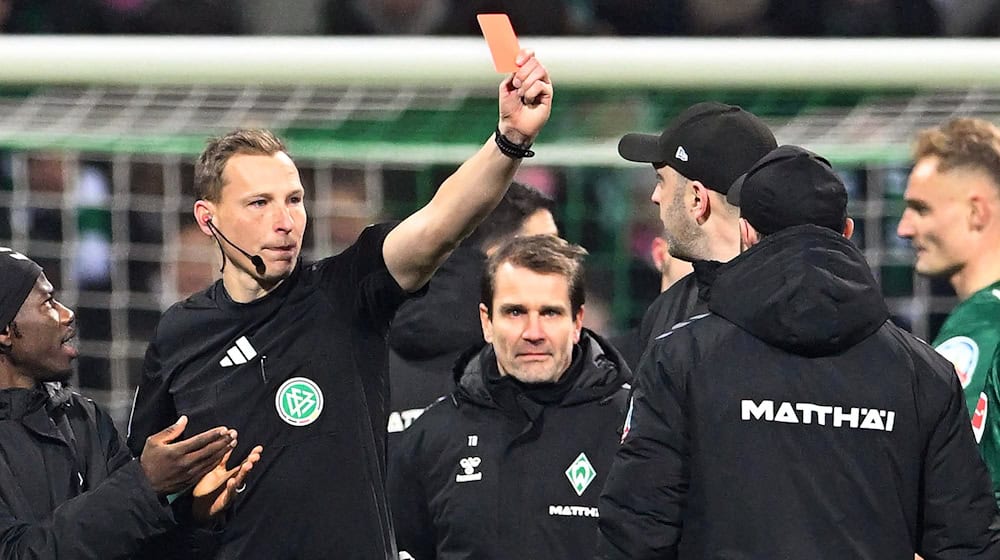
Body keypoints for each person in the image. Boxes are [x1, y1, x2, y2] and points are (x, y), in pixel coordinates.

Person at [126, 49, 553, 559]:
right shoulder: (179, 334)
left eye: (294, 199)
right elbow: (141, 484)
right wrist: (191, 511)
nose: (284, 221)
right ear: (207, 218)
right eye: (259, 204)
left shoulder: (345, 291)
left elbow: (440, 223)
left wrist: (509, 140)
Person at [597, 146, 1000, 559]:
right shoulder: (925, 374)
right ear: (846, 231)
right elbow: (966, 545)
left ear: (747, 233)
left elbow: (635, 532)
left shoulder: (681, 357)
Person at [0, 247, 261, 559]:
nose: (68, 315)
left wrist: (195, 516)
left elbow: (139, 550)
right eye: (48, 303)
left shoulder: (86, 419)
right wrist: (144, 485)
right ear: (5, 331)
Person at [388, 234, 630, 559]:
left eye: (550, 313)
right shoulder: (429, 439)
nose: (533, 332)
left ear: (577, 322)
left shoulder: (634, 428)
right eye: (515, 312)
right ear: (487, 322)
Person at [387, 181, 557, 433]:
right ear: (500, 255)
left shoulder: (373, 346)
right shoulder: (529, 355)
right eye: (546, 250)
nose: (561, 263)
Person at [617, 101, 776, 354]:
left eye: (662, 180)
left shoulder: (675, 319)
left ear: (697, 200)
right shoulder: (805, 300)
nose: (655, 196)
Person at [897, 117, 1000, 422]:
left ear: (976, 212)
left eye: (921, 208)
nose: (904, 229)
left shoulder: (983, 323)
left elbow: (954, 462)